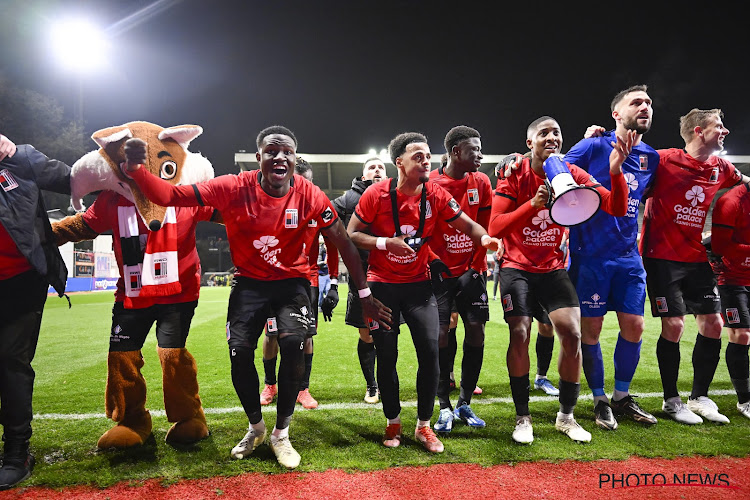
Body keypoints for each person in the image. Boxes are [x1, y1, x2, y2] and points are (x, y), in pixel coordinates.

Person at [123, 126, 391, 469]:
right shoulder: (234, 186)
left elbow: (345, 245)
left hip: (292, 284)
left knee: (294, 344)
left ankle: (281, 433)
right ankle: (256, 427)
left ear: (294, 160)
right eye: (272, 151)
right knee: (239, 354)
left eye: (287, 152)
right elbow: (171, 196)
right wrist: (136, 172)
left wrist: (365, 294)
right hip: (249, 284)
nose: (280, 157)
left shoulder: (311, 195)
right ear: (259, 157)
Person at [348, 132, 498, 453]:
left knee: (431, 353)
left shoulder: (437, 193)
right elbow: (352, 234)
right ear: (398, 162)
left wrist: (485, 239)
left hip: (419, 287)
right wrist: (385, 242)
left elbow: (468, 225)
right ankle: (392, 422)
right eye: (418, 156)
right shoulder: (376, 193)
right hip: (383, 286)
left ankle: (424, 427)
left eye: (428, 156)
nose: (426, 161)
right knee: (387, 356)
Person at [489, 116, 633, 444]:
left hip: (553, 269)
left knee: (571, 334)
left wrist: (615, 170)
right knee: (521, 332)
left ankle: (566, 416)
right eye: (544, 133)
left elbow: (617, 206)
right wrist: (532, 205)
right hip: (516, 267)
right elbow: (495, 227)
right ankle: (522, 417)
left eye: (556, 133)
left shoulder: (570, 174)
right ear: (530, 143)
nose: (552, 137)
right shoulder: (514, 174)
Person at [640, 108, 750, 424]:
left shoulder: (721, 166)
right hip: (662, 256)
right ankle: (671, 401)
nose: (726, 131)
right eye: (720, 126)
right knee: (674, 325)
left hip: (698, 257)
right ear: (699, 131)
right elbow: (626, 164)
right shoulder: (662, 159)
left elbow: (745, 182)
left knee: (713, 324)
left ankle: (699, 397)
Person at [562, 85, 660, 430]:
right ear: (616, 113)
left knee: (635, 325)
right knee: (592, 328)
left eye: (648, 102)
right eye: (637, 102)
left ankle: (621, 396)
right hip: (591, 255)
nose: (645, 106)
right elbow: (556, 167)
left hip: (628, 256)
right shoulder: (593, 144)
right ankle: (599, 399)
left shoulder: (652, 156)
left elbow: (643, 197)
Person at [0, 135, 70, 490]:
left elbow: (73, 179)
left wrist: (130, 173)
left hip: (20, 281)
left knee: (10, 360)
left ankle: (16, 452)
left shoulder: (18, 159)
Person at [428, 126, 493, 433]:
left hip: (471, 272)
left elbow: (483, 227)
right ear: (456, 152)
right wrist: (433, 262)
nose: (479, 155)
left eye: (480, 149)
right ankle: (443, 406)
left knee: (476, 331)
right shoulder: (430, 183)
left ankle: (465, 402)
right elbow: (421, 228)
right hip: (439, 274)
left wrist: (477, 266)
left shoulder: (481, 182)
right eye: (473, 150)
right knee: (441, 334)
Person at [259, 158, 339, 410]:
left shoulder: (319, 206)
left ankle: (302, 388)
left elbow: (335, 242)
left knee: (306, 335)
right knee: (271, 333)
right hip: (274, 279)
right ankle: (270, 384)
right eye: (300, 182)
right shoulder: (273, 204)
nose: (306, 188)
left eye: (310, 182)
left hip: (308, 282)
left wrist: (334, 283)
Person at [332, 156, 387, 403]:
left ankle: (386, 381)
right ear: (364, 175)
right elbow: (321, 213)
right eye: (372, 167)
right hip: (361, 278)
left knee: (387, 333)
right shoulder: (347, 200)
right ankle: (372, 385)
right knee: (367, 334)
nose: (377, 170)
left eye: (381, 167)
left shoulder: (396, 194)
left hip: (390, 275)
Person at [710, 186, 750, 420]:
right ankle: (744, 399)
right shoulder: (732, 200)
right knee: (741, 335)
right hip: (734, 280)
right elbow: (719, 246)